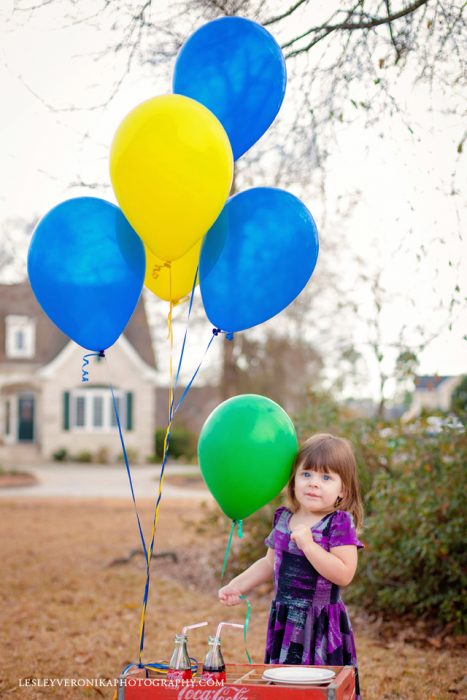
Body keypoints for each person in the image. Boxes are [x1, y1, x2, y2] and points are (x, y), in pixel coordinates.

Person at [218, 433, 364, 698]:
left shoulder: (338, 523)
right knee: (285, 687)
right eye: (306, 474)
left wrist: (309, 546)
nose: (314, 484)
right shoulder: (284, 519)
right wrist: (237, 585)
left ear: (343, 490)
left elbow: (344, 574)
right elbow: (268, 563)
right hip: (286, 620)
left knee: (318, 687)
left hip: (320, 621)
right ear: (294, 479)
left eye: (326, 477)